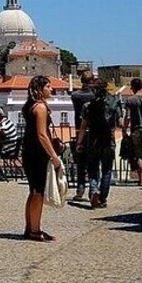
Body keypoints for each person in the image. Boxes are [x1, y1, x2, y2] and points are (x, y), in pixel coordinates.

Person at [22, 76, 63, 241]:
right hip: (37, 153)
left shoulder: (30, 106)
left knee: (33, 191)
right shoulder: (40, 108)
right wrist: (54, 156)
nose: (51, 89)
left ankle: (31, 227)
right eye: (48, 86)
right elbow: (42, 134)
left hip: (28, 151)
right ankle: (35, 229)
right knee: (37, 192)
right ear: (40, 89)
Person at [76, 79, 120, 208]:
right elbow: (119, 123)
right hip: (108, 140)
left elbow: (83, 126)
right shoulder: (114, 104)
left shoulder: (88, 106)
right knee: (106, 170)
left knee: (93, 168)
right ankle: (102, 199)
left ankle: (94, 189)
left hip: (93, 140)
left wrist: (79, 143)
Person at [70, 70, 95, 201]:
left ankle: (80, 190)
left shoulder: (75, 96)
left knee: (81, 162)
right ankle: (93, 188)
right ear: (92, 80)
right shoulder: (95, 96)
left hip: (79, 130)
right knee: (93, 162)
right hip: (94, 131)